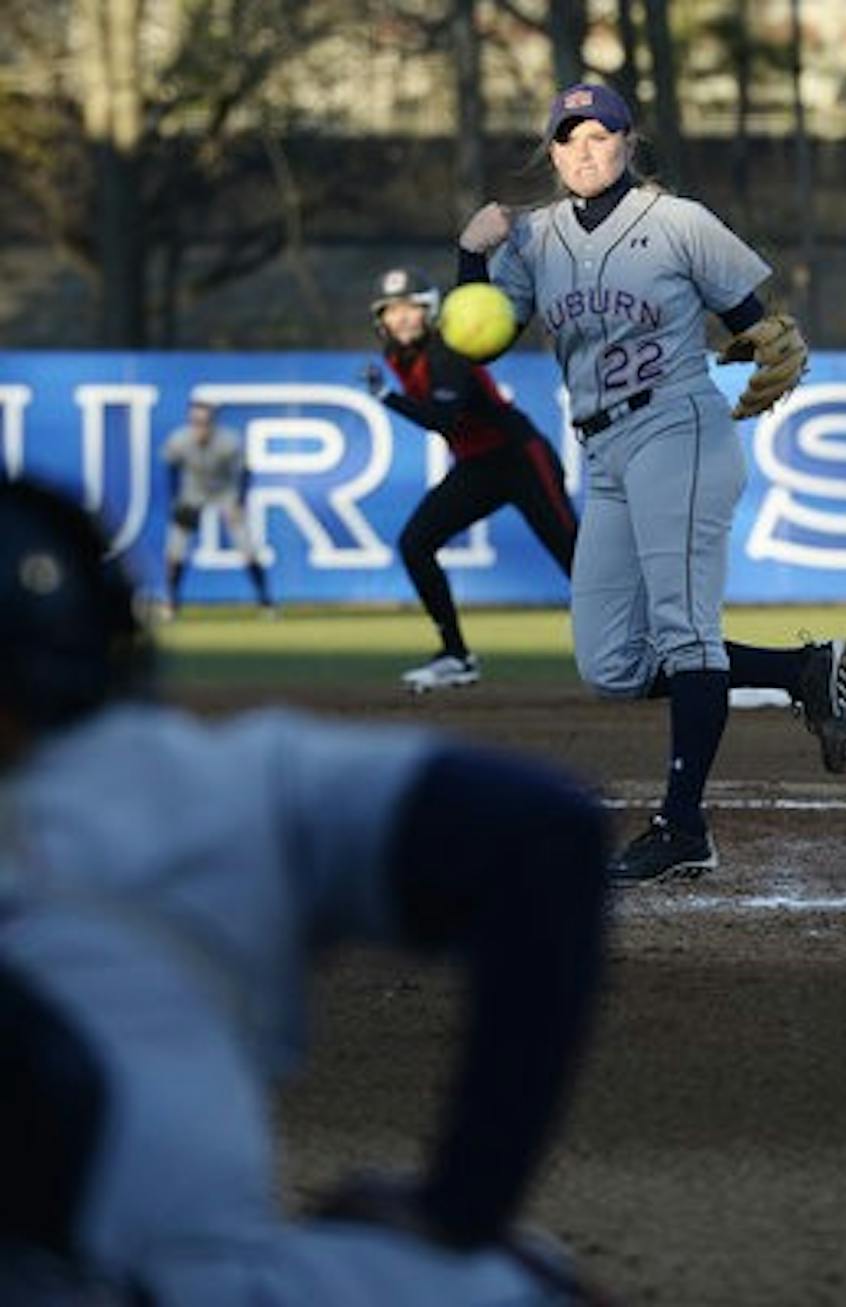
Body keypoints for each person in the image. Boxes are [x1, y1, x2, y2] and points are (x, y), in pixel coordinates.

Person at [0, 476, 612, 1304]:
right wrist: (464, 1206)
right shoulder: (196, 781)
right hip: (170, 1278)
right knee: (526, 1280)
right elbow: (544, 835)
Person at [457, 82, 846, 883]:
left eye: (600, 135)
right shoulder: (533, 239)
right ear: (552, 150)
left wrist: (767, 338)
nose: (584, 150)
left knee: (684, 631)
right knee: (611, 663)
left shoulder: (679, 221)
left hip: (677, 428)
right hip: (602, 451)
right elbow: (480, 342)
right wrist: (469, 254)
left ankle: (683, 825)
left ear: (629, 142)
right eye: (568, 138)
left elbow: (756, 317)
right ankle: (801, 672)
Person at [362, 267, 578, 693]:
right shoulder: (398, 355)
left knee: (576, 559)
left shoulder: (447, 350)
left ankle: (655, 647)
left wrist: (386, 397)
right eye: (392, 310)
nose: (401, 318)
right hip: (478, 466)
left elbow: (442, 418)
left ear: (429, 311)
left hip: (520, 458)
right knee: (415, 544)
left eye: (410, 308)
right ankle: (456, 655)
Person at [160, 398, 275, 619]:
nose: (200, 427)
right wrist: (175, 501)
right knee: (176, 549)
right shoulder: (180, 439)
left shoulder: (228, 440)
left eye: (204, 422)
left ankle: (266, 602)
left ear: (213, 422)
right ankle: (171, 603)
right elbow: (171, 469)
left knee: (246, 546)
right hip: (192, 493)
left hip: (225, 492)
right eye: (196, 422)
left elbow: (244, 472)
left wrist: (240, 503)